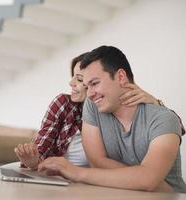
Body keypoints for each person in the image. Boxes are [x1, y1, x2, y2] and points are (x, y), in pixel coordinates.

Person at [38, 46, 186, 193]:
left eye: (95, 83)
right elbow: (96, 161)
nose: (89, 94)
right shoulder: (93, 106)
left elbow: (148, 180)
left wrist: (76, 172)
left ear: (121, 77)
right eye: (87, 86)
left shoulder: (163, 118)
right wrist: (139, 177)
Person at [14, 52, 165, 170]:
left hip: (95, 184)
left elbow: (174, 126)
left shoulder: (113, 110)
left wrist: (154, 102)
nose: (71, 83)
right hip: (58, 178)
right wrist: (33, 161)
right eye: (74, 77)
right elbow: (41, 149)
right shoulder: (63, 104)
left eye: (79, 80)